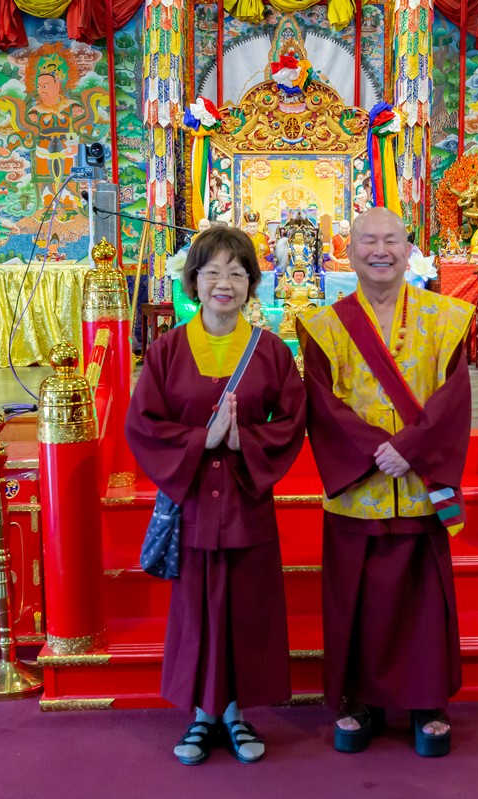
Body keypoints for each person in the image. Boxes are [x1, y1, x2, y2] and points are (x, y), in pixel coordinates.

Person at [126, 226, 307, 765]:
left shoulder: (270, 351)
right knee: (197, 611)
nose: (224, 283)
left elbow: (292, 421)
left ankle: (237, 713)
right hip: (193, 506)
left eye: (236, 272)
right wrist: (199, 441)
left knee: (246, 609)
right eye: (212, 272)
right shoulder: (166, 350)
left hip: (246, 502)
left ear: (252, 283)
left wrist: (244, 439)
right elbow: (142, 423)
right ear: (194, 282)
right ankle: (203, 716)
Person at [296, 207, 473, 757]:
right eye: (368, 241)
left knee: (423, 604)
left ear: (408, 249)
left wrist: (410, 448)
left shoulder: (448, 318)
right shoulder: (324, 326)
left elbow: (454, 399)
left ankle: (427, 703)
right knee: (358, 603)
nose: (380, 250)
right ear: (349, 252)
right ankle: (359, 700)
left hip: (419, 487)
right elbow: (320, 404)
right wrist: (379, 450)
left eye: (391, 240)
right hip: (358, 490)